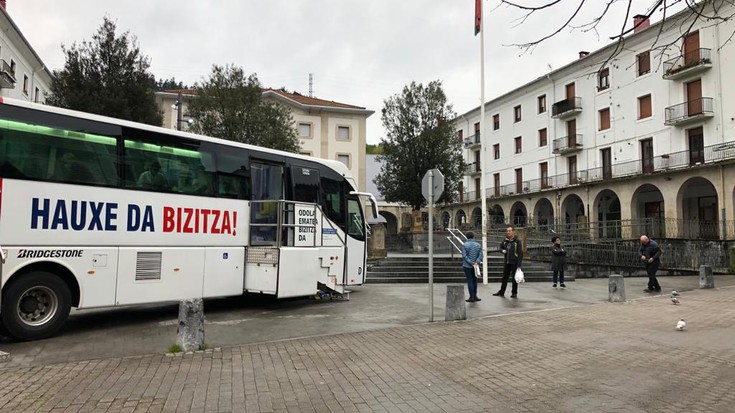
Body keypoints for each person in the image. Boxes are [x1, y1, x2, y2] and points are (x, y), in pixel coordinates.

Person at [494, 226, 523, 298]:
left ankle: (514, 293)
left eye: (509, 231)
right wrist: (502, 251)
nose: (508, 232)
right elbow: (500, 248)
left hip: (514, 262)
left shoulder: (517, 241)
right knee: (504, 277)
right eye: (507, 231)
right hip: (507, 262)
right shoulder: (505, 240)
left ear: (513, 231)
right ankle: (501, 292)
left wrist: (519, 265)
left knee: (514, 278)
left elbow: (520, 253)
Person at [461, 231, 483, 302]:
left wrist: (470, 262)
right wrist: (476, 262)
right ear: (473, 236)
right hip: (476, 266)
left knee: (470, 280)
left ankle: (471, 297)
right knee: (475, 280)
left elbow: (464, 256)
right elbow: (481, 255)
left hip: (467, 266)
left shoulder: (465, 245)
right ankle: (475, 295)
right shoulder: (478, 245)